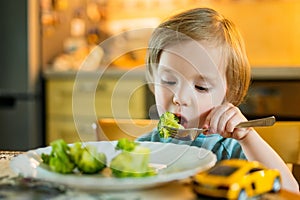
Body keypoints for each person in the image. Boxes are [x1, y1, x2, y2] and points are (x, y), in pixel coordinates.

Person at [136, 7, 299, 192]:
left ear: (228, 93)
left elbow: (290, 193)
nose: (179, 98)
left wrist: (248, 138)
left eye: (201, 87)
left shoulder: (234, 151)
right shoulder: (145, 147)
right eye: (169, 81)